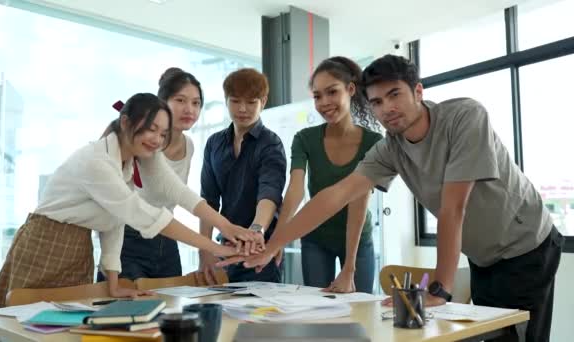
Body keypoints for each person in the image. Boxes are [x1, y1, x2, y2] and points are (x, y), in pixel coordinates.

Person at [221, 55, 563, 342]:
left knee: (517, 336)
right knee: (490, 335)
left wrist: (440, 289)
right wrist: (271, 244)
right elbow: (334, 196)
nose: (388, 109)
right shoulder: (390, 149)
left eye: (395, 95)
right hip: (483, 256)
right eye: (378, 102)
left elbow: (452, 208)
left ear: (417, 90)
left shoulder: (464, 117)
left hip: (526, 245)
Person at [0, 93, 261, 309]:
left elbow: (118, 221)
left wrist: (113, 282)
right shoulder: (97, 161)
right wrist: (215, 248)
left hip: (79, 246)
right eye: (151, 129)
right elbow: (144, 215)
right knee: (23, 323)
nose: (157, 139)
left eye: (163, 134)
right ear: (127, 122)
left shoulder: (129, 162)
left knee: (61, 324)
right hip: (45, 241)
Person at [272, 57, 382, 293]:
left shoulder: (374, 143)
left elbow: (358, 200)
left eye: (332, 92)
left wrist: (349, 266)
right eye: (317, 96)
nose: (324, 103)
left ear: (350, 89)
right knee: (316, 309)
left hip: (357, 241)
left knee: (359, 310)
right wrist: (278, 239)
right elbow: (295, 190)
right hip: (316, 239)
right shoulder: (305, 139)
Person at [101, 68, 204, 281]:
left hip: (166, 240)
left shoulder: (189, 146)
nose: (189, 109)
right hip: (128, 237)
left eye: (196, 103)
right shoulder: (138, 140)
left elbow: (180, 194)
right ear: (162, 103)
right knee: (123, 311)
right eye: (180, 100)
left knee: (171, 309)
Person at [198, 68, 286, 284]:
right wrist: (205, 250)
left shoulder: (271, 144)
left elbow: (269, 194)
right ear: (226, 101)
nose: (243, 109)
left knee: (259, 316)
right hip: (222, 250)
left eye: (251, 102)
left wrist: (256, 232)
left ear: (263, 102)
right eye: (235, 101)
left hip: (259, 250)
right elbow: (208, 201)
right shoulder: (214, 143)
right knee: (218, 314)